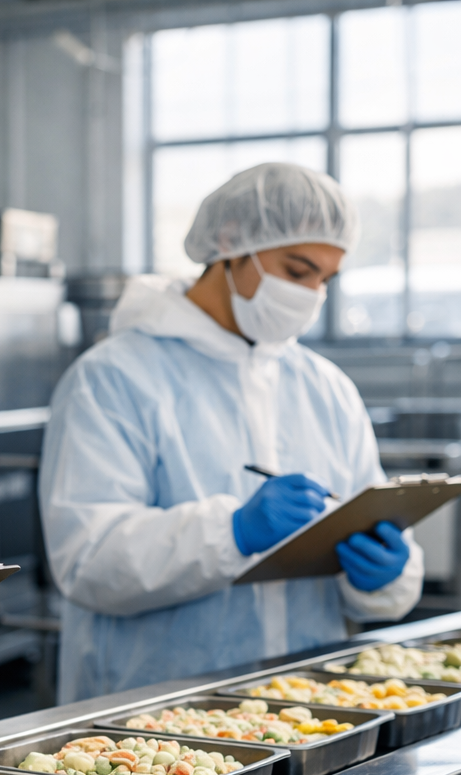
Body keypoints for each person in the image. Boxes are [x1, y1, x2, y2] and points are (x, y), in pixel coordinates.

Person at [40, 163, 423, 701]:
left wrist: (386, 573)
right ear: (229, 242)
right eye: (297, 270)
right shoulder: (113, 379)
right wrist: (233, 531)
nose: (312, 294)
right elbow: (86, 560)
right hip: (149, 725)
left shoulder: (326, 388)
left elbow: (371, 524)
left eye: (325, 280)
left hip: (305, 707)